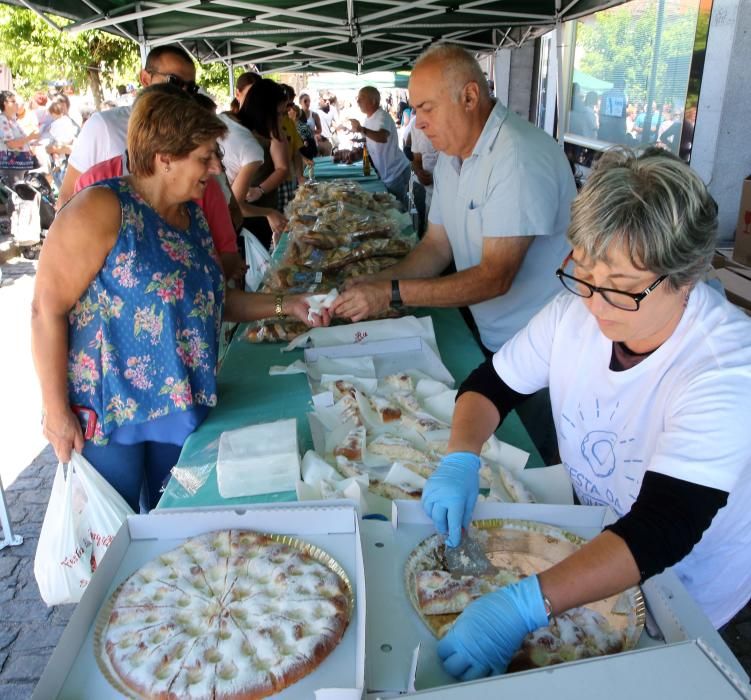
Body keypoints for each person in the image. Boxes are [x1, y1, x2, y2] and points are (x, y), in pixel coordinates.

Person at [421, 147, 751, 680]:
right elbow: (490, 385)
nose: (594, 305)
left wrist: (523, 607)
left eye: (620, 289)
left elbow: (662, 528)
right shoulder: (574, 311)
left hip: (689, 576)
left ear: (686, 278)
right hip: (602, 535)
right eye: (585, 273)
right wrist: (460, 457)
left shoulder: (727, 368)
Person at [31, 86, 325, 513]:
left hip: (183, 409)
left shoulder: (192, 218)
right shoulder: (102, 207)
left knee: (175, 532)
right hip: (112, 419)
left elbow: (212, 304)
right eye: (205, 157)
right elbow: (45, 309)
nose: (216, 167)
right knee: (113, 540)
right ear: (164, 158)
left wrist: (288, 305)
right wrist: (55, 411)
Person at [333, 45, 574, 353]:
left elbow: (495, 277)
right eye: (416, 109)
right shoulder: (451, 156)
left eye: (427, 108)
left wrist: (391, 292)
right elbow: (436, 246)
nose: (417, 122)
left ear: (470, 98)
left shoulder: (517, 155)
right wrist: (377, 281)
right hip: (495, 333)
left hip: (539, 347)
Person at [56, 44, 201, 209]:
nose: (183, 93)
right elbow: (67, 197)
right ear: (145, 78)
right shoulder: (104, 126)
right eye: (174, 81)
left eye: (191, 88)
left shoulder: (189, 133)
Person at [237, 78, 291, 249]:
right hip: (239, 211)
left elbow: (282, 168)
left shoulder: (274, 132)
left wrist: (259, 190)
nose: (282, 118)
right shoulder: (238, 129)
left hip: (260, 209)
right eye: (279, 113)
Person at [347, 86, 411, 208]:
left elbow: (382, 137)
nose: (358, 101)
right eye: (358, 98)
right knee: (393, 205)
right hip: (388, 171)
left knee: (398, 208)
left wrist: (361, 129)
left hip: (396, 170)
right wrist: (358, 150)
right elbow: (371, 141)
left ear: (373, 101)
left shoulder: (382, 116)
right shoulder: (368, 119)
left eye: (362, 98)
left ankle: (409, 225)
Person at [0, 91, 39, 182]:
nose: (16, 104)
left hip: (19, 165)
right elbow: (11, 144)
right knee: (14, 192)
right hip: (11, 166)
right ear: (5, 104)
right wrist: (30, 137)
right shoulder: (3, 120)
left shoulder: (12, 120)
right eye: (13, 101)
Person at [598, 77, 628, 144]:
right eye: (624, 87)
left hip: (604, 127)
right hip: (616, 130)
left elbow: (601, 111)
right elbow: (623, 114)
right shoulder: (622, 95)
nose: (624, 89)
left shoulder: (605, 94)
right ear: (621, 86)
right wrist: (623, 128)